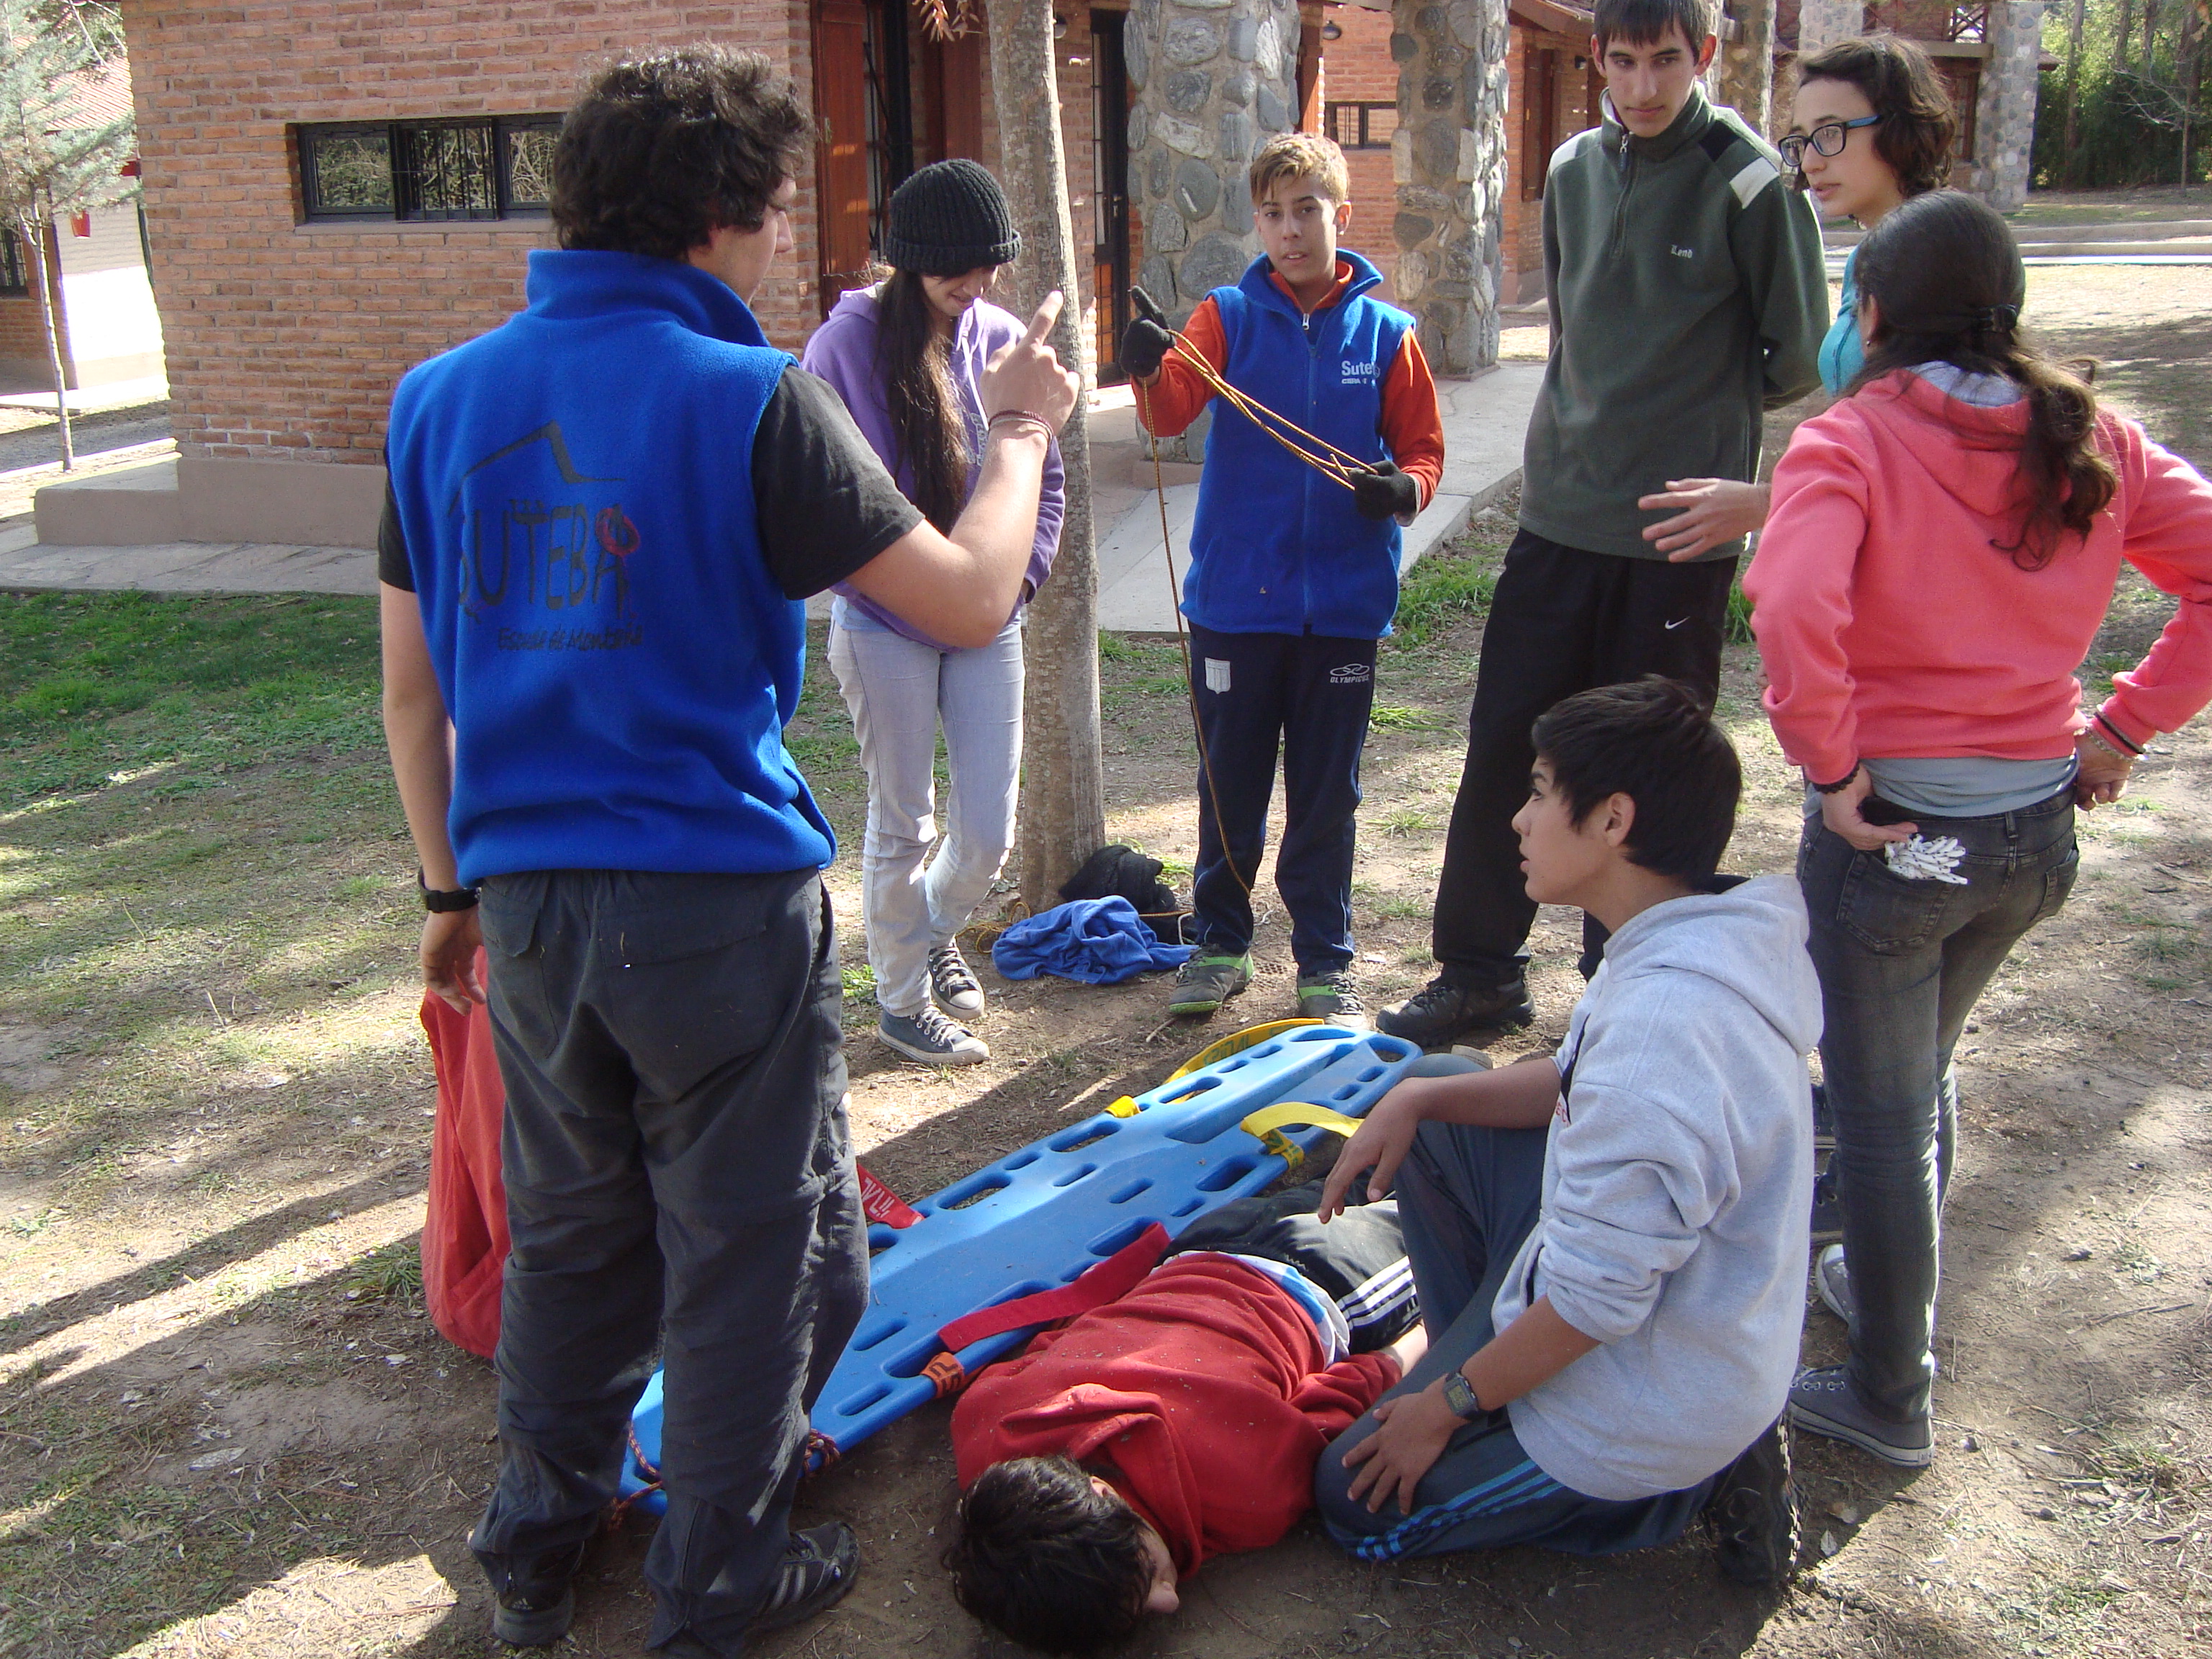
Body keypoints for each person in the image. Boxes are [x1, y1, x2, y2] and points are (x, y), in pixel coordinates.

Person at [377, 48, 1078, 1656]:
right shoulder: (750, 393)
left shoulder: (436, 399)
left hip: (526, 906)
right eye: (770, 216)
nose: (777, 250)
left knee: (573, 1234)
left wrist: (448, 890)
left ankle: (535, 1549)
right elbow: (971, 597)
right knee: (762, 1251)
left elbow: (415, 696)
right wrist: (1022, 430)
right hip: (711, 905)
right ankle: (717, 1576)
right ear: (715, 218)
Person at [1744, 190, 2212, 1467]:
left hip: (1892, 842)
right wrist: (2121, 729)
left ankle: (1891, 1392)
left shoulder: (1852, 437)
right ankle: (1883, 1290)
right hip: (2031, 838)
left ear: (1873, 314)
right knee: (1920, 1072)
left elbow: (1788, 601)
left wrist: (1830, 765)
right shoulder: (2089, 435)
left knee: (1884, 1111)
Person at [1377, 0, 1827, 1047]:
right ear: (1597, 60)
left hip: (1677, 536)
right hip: (1558, 516)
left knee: (1646, 779)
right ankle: (1479, 973)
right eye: (1624, 62)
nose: (1644, 86)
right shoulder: (1574, 167)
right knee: (1508, 748)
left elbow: (1798, 355)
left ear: (1702, 54)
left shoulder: (1750, 179)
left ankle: (1629, 989)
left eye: (1666, 60)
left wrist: (1696, 414)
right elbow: (1576, 329)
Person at [1312, 680, 1816, 1586]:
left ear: (1613, 819)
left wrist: (1445, 1407)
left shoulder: (1660, 1032)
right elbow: (1574, 1080)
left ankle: (1674, 1490)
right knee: (1442, 1087)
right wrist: (1412, 1101)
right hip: (1674, 1312)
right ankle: (1492, 1366)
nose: (1519, 819)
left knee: (1352, 1501)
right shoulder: (1690, 938)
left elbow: (1598, 1305)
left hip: (1646, 1400)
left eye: (1541, 792)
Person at [1120, 130, 1444, 1025]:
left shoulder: (1387, 335)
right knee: (1229, 787)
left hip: (1342, 611)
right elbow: (1169, 410)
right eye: (1273, 214)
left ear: (1342, 215)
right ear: (1257, 224)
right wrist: (1145, 362)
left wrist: (1404, 489)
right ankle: (1221, 946)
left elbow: (1423, 450)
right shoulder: (1224, 316)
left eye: (1307, 210)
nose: (1291, 230)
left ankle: (1324, 961)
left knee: (1327, 797)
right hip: (1235, 606)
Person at [802, 160, 1066, 1066]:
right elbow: (838, 504)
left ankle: (931, 934)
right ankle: (903, 1001)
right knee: (903, 821)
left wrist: (1009, 589)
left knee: (987, 830)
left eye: (990, 262)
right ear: (909, 256)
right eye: (956, 263)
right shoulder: (841, 349)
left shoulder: (1001, 341)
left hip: (988, 621)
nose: (977, 280)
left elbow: (1046, 485)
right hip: (885, 622)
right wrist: (924, 596)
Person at [944, 1180, 1428, 1653]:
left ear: (1105, 1493)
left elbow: (1348, 1394)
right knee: (1359, 1174)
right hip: (1197, 1248)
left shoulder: (1245, 1497)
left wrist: (1424, 1337)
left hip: (1326, 1277)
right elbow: (1052, 1344)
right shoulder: (985, 1427)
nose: (1170, 1601)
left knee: (1440, 1209)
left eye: (1150, 1574)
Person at [1635, 32, 1958, 561]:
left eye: (1830, 134)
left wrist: (1766, 501)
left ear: (1900, 127)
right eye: (1801, 140)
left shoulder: (1939, 259)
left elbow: (1939, 461)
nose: (1810, 161)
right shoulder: (1876, 255)